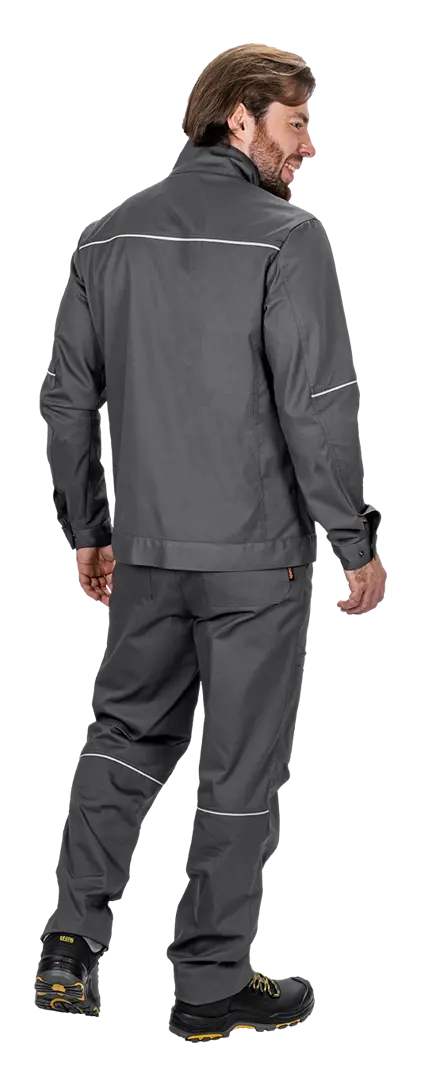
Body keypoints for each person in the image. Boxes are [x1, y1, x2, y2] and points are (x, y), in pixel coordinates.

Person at [33, 43, 387, 1039]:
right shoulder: (288, 238)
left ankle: (69, 951)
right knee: (234, 770)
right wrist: (351, 539)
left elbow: (67, 402)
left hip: (146, 553)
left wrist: (88, 528)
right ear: (240, 118)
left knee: (123, 739)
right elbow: (314, 406)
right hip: (254, 561)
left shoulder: (106, 236)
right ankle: (207, 986)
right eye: (296, 122)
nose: (308, 146)